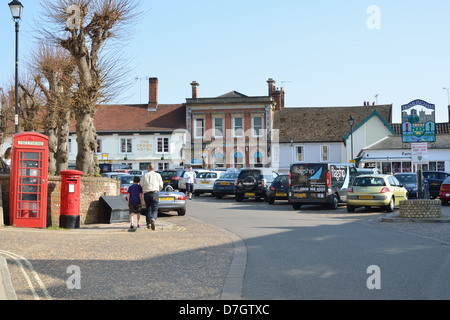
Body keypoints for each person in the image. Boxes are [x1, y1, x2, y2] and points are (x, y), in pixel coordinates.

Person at [140, 163, 163, 230]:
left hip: (147, 193)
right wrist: (158, 189)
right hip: (154, 193)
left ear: (148, 168)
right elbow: (161, 185)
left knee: (148, 209)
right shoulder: (158, 175)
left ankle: (148, 224)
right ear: (154, 168)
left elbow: (141, 184)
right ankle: (153, 218)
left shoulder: (145, 175)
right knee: (155, 209)